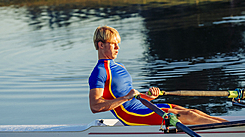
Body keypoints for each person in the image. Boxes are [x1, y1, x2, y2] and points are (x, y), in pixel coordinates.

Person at [89, 25, 228, 126]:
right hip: (131, 116)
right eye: (114, 44)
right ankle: (230, 131)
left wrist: (147, 96)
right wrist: (126, 97)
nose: (118, 48)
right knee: (190, 116)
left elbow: (131, 94)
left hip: (144, 106)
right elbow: (95, 106)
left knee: (191, 110)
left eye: (118, 44)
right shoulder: (100, 72)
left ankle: (237, 126)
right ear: (101, 45)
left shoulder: (120, 67)